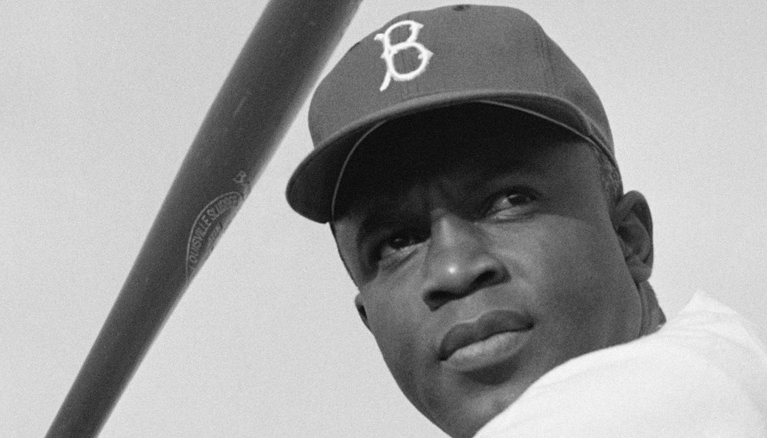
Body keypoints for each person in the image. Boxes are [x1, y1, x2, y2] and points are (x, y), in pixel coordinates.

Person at [285, 5, 767, 437]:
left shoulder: (677, 393)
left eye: (508, 200)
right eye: (398, 241)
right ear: (370, 322)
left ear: (630, 240)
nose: (453, 270)